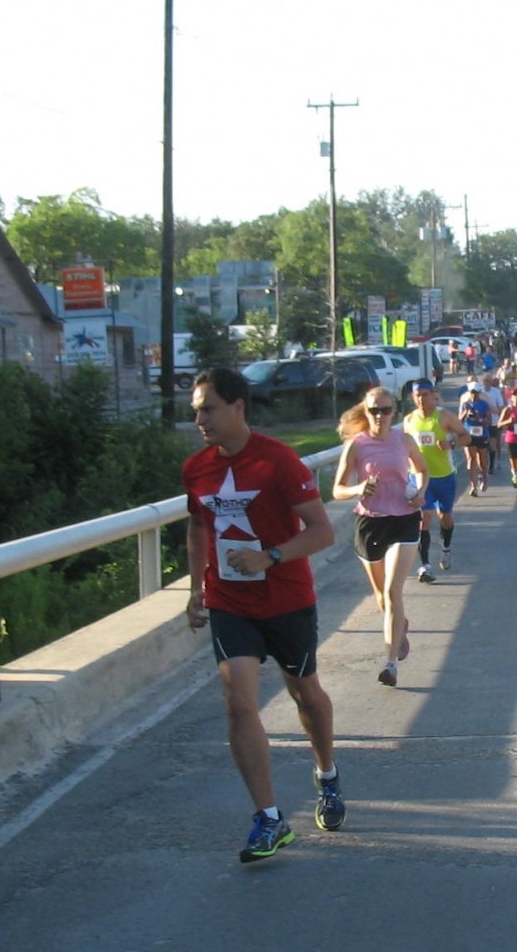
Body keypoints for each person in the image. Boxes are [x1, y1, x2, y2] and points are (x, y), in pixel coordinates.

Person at [182, 368, 345, 864]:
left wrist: (271, 556)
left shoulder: (279, 460)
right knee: (238, 702)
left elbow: (322, 531)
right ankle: (270, 819)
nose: (199, 419)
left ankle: (328, 775)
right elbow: (197, 527)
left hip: (287, 600)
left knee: (305, 694)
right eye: (195, 411)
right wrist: (195, 589)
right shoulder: (196, 468)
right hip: (229, 603)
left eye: (208, 408)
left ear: (238, 407)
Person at [332, 387, 429, 687]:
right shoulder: (356, 446)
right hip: (371, 523)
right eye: (374, 410)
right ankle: (400, 626)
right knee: (380, 597)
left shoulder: (404, 440)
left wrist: (420, 493)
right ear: (365, 411)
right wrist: (358, 489)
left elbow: (422, 470)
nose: (379, 416)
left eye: (385, 410)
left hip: (404, 519)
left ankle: (390, 665)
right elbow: (336, 490)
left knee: (391, 591)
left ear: (394, 412)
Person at [403, 378, 471, 582]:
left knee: (445, 518)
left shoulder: (445, 417)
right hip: (420, 478)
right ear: (413, 398)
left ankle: (446, 547)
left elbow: (466, 437)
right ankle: (425, 566)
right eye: (417, 396)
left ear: (433, 395)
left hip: (445, 476)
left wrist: (451, 443)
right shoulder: (409, 420)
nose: (422, 399)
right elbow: (404, 446)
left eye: (425, 395)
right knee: (425, 518)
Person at [460, 380, 492, 496]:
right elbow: (459, 420)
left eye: (476, 393)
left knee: (482, 459)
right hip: (469, 435)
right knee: (471, 459)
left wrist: (479, 418)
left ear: (479, 393)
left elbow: (489, 421)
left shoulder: (484, 404)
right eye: (472, 393)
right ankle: (473, 486)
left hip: (482, 435)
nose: (474, 395)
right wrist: (466, 412)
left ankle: (484, 478)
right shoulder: (465, 404)